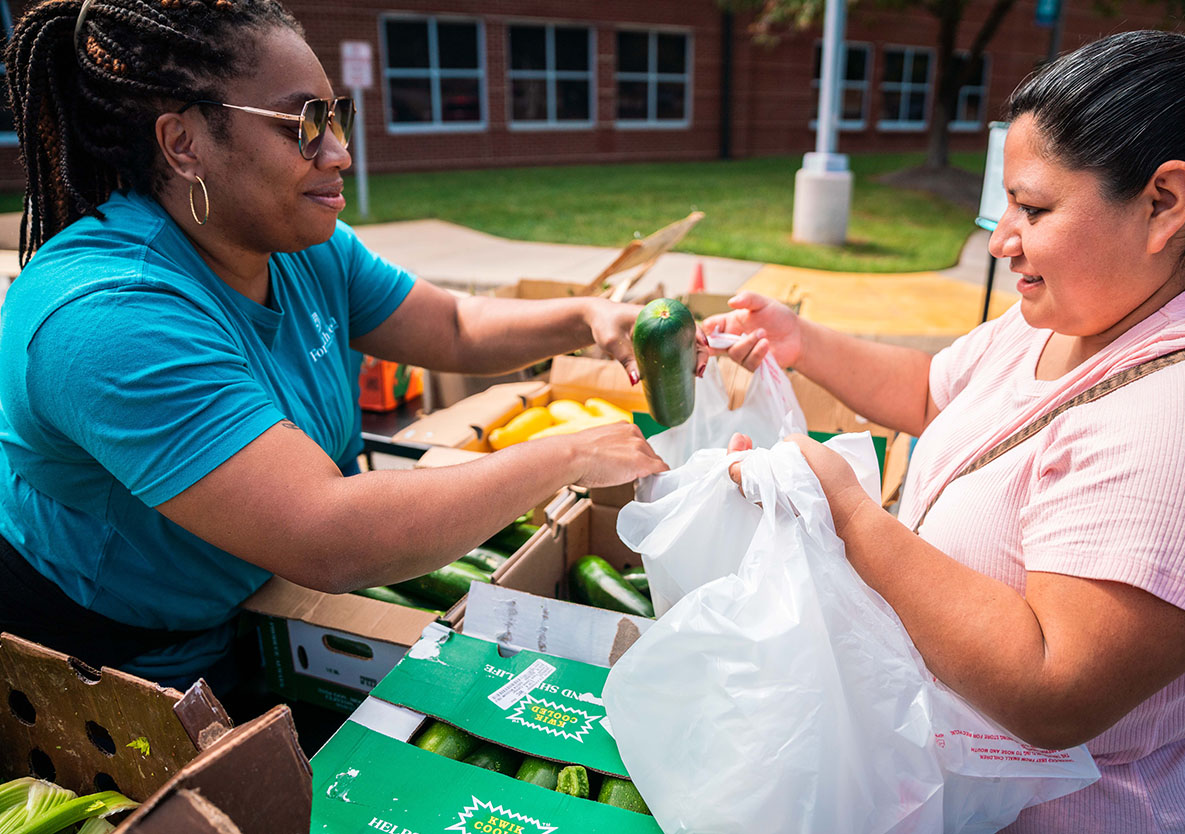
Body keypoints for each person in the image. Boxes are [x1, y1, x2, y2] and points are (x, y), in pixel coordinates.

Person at [0, 0, 701, 693]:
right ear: (184, 144)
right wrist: (569, 454)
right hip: (114, 665)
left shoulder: (297, 245)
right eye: (304, 123)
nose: (338, 150)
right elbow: (328, 536)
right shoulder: (109, 316)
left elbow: (453, 325)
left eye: (337, 117)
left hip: (259, 606)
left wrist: (589, 317)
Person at [708, 30, 1185, 833]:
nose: (1002, 242)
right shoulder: (1070, 315)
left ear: (1164, 202)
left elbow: (1052, 687)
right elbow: (935, 390)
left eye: (1033, 209)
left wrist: (850, 516)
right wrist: (804, 341)